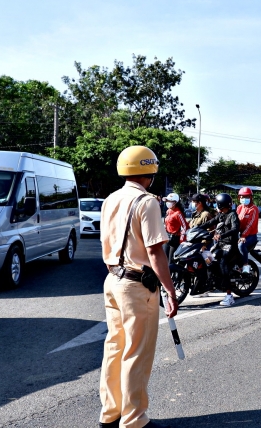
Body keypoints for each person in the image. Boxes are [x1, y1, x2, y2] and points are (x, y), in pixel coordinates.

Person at [98, 146, 178, 428]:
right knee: (137, 352)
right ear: (150, 172)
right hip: (137, 285)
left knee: (114, 349)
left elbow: (105, 242)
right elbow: (155, 252)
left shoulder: (110, 199)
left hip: (113, 280)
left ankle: (110, 414)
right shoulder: (147, 202)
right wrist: (169, 289)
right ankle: (133, 420)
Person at [236, 187, 259, 274]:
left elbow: (250, 225)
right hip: (240, 234)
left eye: (246, 197)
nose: (243, 199)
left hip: (251, 236)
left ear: (251, 197)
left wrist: (243, 236)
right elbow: (236, 221)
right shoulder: (239, 207)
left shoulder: (253, 209)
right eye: (242, 197)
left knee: (241, 245)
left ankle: (245, 265)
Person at [163, 193, 189, 263]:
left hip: (174, 239)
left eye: (170, 201)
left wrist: (182, 240)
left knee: (171, 261)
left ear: (175, 202)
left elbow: (185, 226)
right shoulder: (168, 211)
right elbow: (165, 224)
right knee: (164, 258)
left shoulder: (178, 213)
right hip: (167, 237)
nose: (167, 202)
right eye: (167, 201)